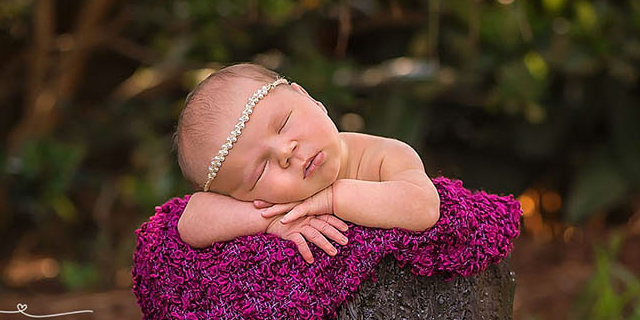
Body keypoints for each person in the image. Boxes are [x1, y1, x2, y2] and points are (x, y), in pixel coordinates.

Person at [172, 62, 441, 263]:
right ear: (242, 195)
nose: (285, 152)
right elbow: (190, 222)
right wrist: (268, 219)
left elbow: (424, 206)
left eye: (283, 124)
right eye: (260, 171)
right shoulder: (272, 203)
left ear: (308, 98)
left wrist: (333, 198)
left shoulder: (383, 154)